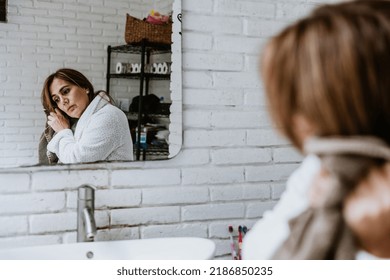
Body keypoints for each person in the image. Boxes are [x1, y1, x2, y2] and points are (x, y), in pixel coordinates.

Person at [242, 0, 390, 259]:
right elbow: (256, 248)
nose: (298, 119)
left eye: (305, 98)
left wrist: (382, 252)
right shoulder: (328, 167)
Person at [39, 68, 133, 164]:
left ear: (85, 87)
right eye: (56, 99)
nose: (63, 101)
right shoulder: (78, 122)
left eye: (66, 91)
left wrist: (63, 131)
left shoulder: (109, 116)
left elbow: (77, 163)